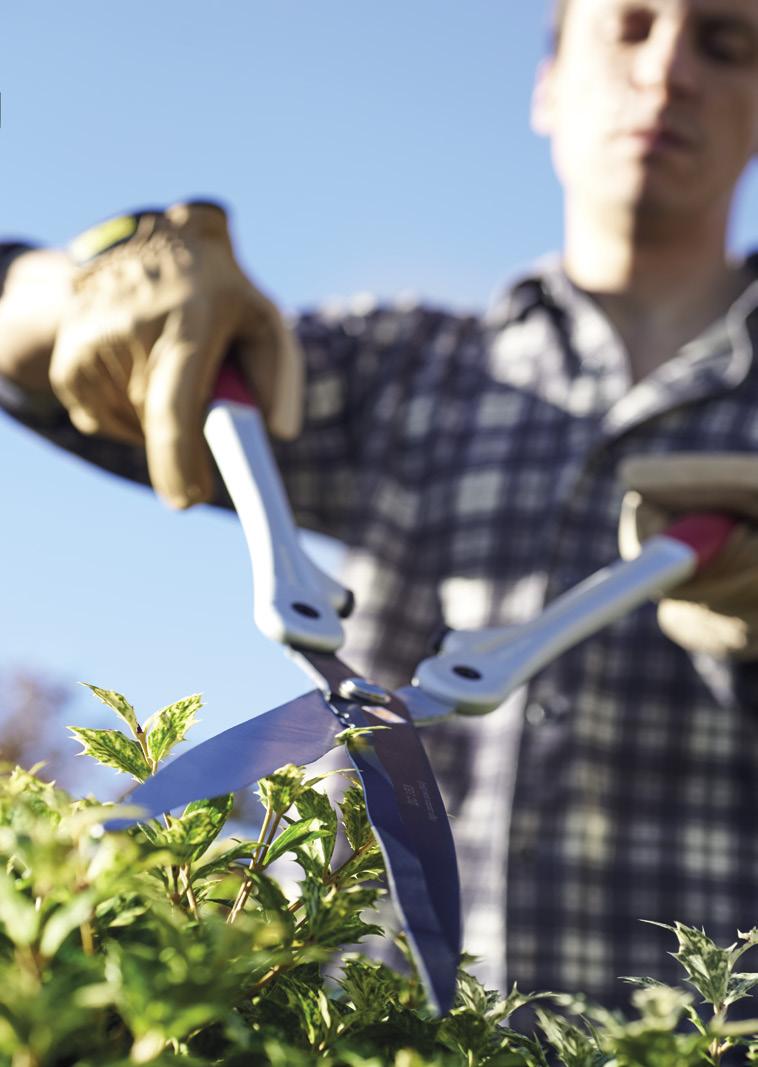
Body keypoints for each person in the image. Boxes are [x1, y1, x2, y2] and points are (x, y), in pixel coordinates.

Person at [2, 0, 758, 1014]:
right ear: (546, 83)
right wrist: (81, 288)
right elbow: (56, 363)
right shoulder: (401, 368)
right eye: (628, 27)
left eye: (723, 42)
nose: (666, 73)